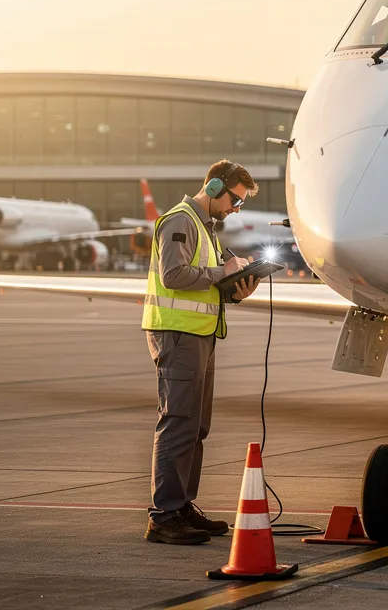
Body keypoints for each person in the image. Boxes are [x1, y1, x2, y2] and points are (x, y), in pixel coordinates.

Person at [142, 160, 262, 545]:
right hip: (177, 336)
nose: (235, 209)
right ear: (213, 188)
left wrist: (236, 287)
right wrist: (221, 274)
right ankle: (163, 517)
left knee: (195, 427)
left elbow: (204, 284)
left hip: (200, 334)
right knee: (178, 422)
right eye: (234, 200)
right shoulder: (180, 221)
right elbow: (173, 276)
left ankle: (181, 507)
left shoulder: (207, 230)